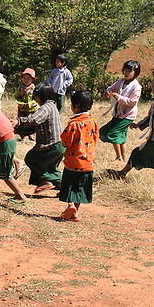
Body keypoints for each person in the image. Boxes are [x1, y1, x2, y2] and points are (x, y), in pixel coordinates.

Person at [13, 83, 65, 194]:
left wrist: (19, 121)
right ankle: (65, 188)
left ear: (42, 96)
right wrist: (18, 130)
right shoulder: (52, 106)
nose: (35, 100)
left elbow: (34, 119)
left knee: (31, 158)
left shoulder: (46, 107)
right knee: (51, 169)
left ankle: (46, 181)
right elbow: (35, 127)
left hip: (52, 145)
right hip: (59, 146)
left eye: (36, 97)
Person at [59, 91, 100, 222]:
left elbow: (65, 141)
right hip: (88, 163)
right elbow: (96, 137)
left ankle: (70, 205)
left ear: (75, 106)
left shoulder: (73, 124)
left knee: (70, 186)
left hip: (73, 162)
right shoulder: (93, 122)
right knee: (81, 189)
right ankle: (75, 211)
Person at [100, 60, 142, 162]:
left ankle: (119, 158)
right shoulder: (121, 81)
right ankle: (123, 158)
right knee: (119, 136)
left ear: (135, 73)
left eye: (129, 71)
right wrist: (108, 92)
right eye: (125, 70)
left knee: (112, 133)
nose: (126, 73)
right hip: (118, 113)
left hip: (128, 115)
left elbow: (133, 101)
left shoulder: (136, 86)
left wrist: (118, 97)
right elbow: (111, 88)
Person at [14, 68, 38, 140]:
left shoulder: (34, 88)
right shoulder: (20, 88)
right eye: (24, 78)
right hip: (23, 109)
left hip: (32, 109)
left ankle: (32, 136)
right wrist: (20, 103)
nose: (26, 80)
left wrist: (29, 104)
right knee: (22, 122)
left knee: (32, 122)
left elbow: (36, 99)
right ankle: (22, 136)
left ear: (32, 79)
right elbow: (16, 97)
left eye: (28, 78)